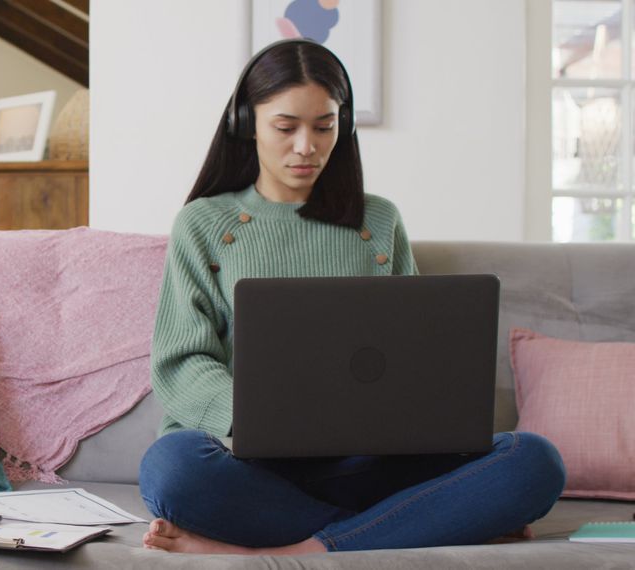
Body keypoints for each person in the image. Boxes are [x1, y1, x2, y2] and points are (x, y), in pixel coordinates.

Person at [138, 39, 566, 556]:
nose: (306, 146)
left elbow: (414, 352)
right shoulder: (205, 224)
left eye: (324, 126)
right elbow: (182, 363)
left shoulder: (379, 221)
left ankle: (297, 550)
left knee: (534, 459)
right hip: (253, 467)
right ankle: (412, 527)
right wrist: (262, 419)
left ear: (346, 125)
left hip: (370, 463)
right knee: (171, 468)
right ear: (247, 123)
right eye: (286, 127)